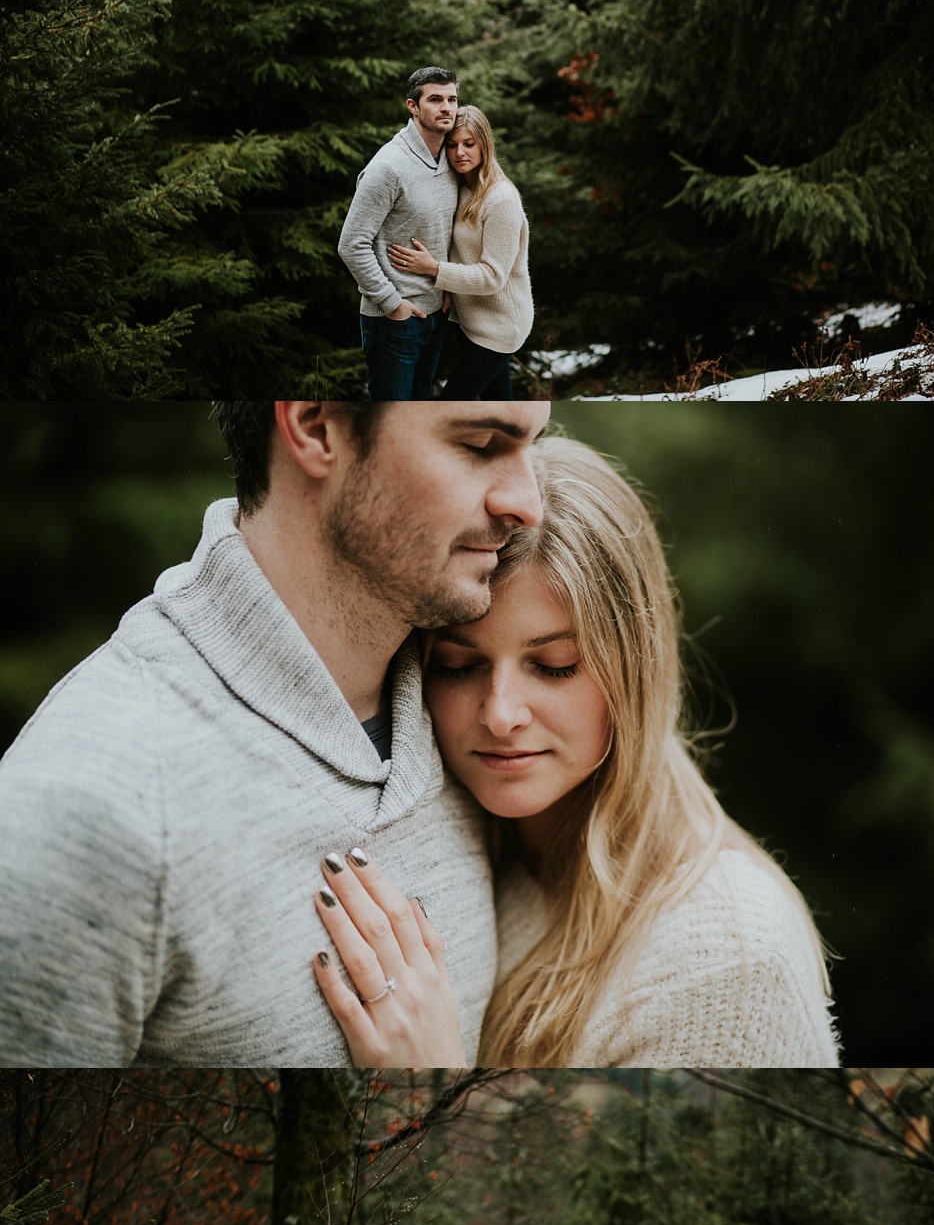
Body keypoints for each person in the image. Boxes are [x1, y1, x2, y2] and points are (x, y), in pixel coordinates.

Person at [0, 399, 548, 1068]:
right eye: (482, 443)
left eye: (533, 445)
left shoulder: (479, 718)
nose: (528, 503)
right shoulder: (96, 805)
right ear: (317, 427)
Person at [317, 433, 840, 1070]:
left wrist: (428, 1077)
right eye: (458, 664)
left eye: (556, 665)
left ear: (634, 668)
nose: (500, 714)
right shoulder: (447, 820)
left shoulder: (730, 958)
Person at [388, 107, 533, 403]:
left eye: (469, 144)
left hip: (500, 326)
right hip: (470, 320)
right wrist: (450, 287)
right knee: (499, 408)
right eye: (452, 145)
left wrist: (435, 270)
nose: (460, 153)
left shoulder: (500, 200)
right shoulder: (462, 186)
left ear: (485, 144)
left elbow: (492, 277)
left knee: (448, 407)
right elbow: (459, 243)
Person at [338, 67, 461, 402]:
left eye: (452, 99)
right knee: (391, 422)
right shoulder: (388, 167)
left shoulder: (450, 160)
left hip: (436, 313)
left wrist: (447, 284)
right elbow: (351, 244)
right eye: (435, 99)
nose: (446, 107)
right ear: (413, 106)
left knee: (419, 416)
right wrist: (393, 305)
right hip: (395, 320)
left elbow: (445, 227)